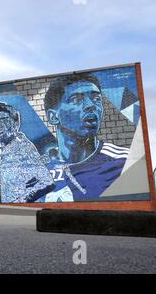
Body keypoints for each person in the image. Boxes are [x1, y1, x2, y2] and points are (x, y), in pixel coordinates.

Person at [42, 73, 129, 202]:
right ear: (53, 117)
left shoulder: (124, 162)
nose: (91, 105)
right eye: (77, 100)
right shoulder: (38, 170)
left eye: (96, 99)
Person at [0, 104, 55, 203]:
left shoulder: (22, 147)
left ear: (16, 124)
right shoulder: (7, 146)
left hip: (22, 210)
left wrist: (22, 200)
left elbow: (47, 182)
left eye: (4, 121)